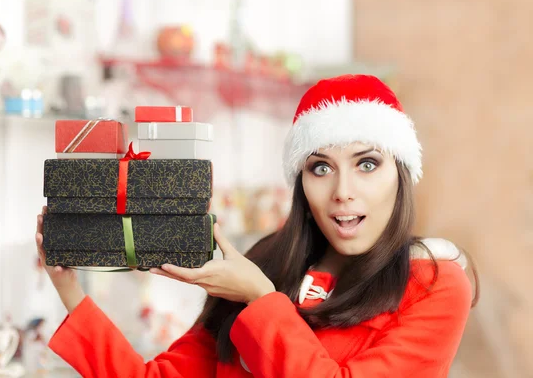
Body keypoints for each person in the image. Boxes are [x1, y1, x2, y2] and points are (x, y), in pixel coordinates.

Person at [36, 74, 479, 377]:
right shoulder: (267, 261)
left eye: (367, 163)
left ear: (400, 175)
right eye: (320, 168)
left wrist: (260, 299)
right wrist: (69, 290)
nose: (343, 191)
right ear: (300, 182)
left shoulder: (433, 283)